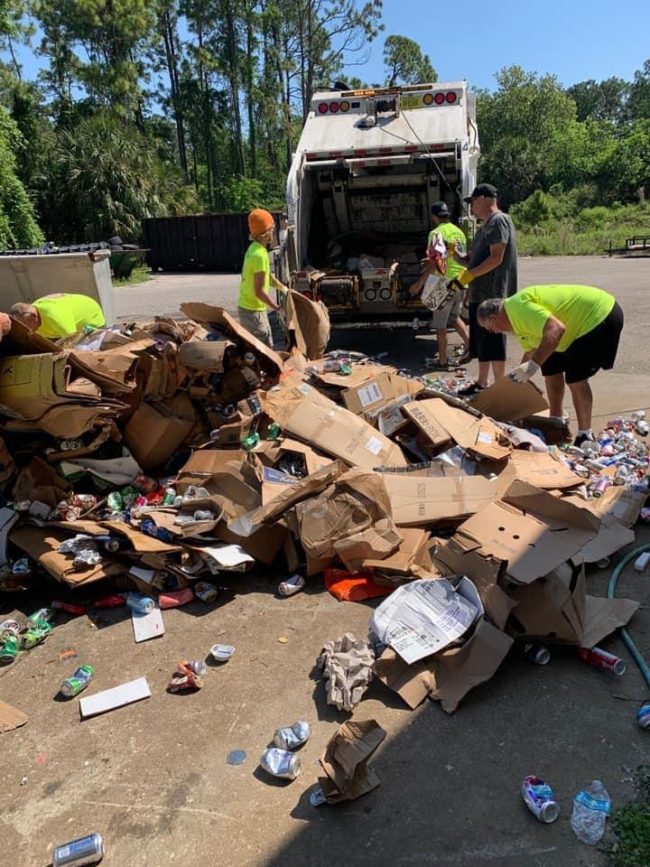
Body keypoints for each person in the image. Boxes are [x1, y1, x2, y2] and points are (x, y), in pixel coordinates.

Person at [477, 285, 624, 447]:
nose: (494, 332)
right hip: (572, 328)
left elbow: (556, 328)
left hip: (598, 315)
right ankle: (556, 421)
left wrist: (532, 366)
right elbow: (531, 352)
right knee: (550, 366)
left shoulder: (518, 309)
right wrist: (515, 384)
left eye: (490, 329)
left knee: (576, 378)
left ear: (494, 318)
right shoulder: (515, 324)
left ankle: (585, 435)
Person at [452, 183, 518, 396]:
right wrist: (457, 255)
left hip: (493, 293)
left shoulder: (499, 221)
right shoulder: (485, 226)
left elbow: (496, 258)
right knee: (481, 342)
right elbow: (473, 259)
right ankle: (482, 382)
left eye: (472, 202)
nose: (471, 208)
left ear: (482, 199)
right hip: (480, 293)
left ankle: (499, 388)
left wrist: (471, 275)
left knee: (494, 340)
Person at [409, 201, 469, 369]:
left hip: (444, 282)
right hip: (461, 280)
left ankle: (442, 361)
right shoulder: (459, 232)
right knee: (454, 317)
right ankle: (471, 346)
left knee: (440, 325)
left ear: (434, 216)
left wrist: (419, 283)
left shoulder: (436, 233)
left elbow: (436, 262)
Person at [238, 208, 289, 348]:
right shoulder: (259, 255)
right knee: (264, 353)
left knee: (258, 353)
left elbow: (267, 277)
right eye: (272, 228)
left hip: (248, 308)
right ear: (266, 232)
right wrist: (277, 308)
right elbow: (259, 292)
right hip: (253, 313)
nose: (273, 230)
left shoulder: (254, 248)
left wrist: (283, 288)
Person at [10, 294, 105, 339]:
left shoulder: (55, 317)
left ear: (34, 316)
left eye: (26, 325)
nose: (26, 329)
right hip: (67, 325)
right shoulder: (32, 314)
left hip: (92, 319)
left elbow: (73, 341)